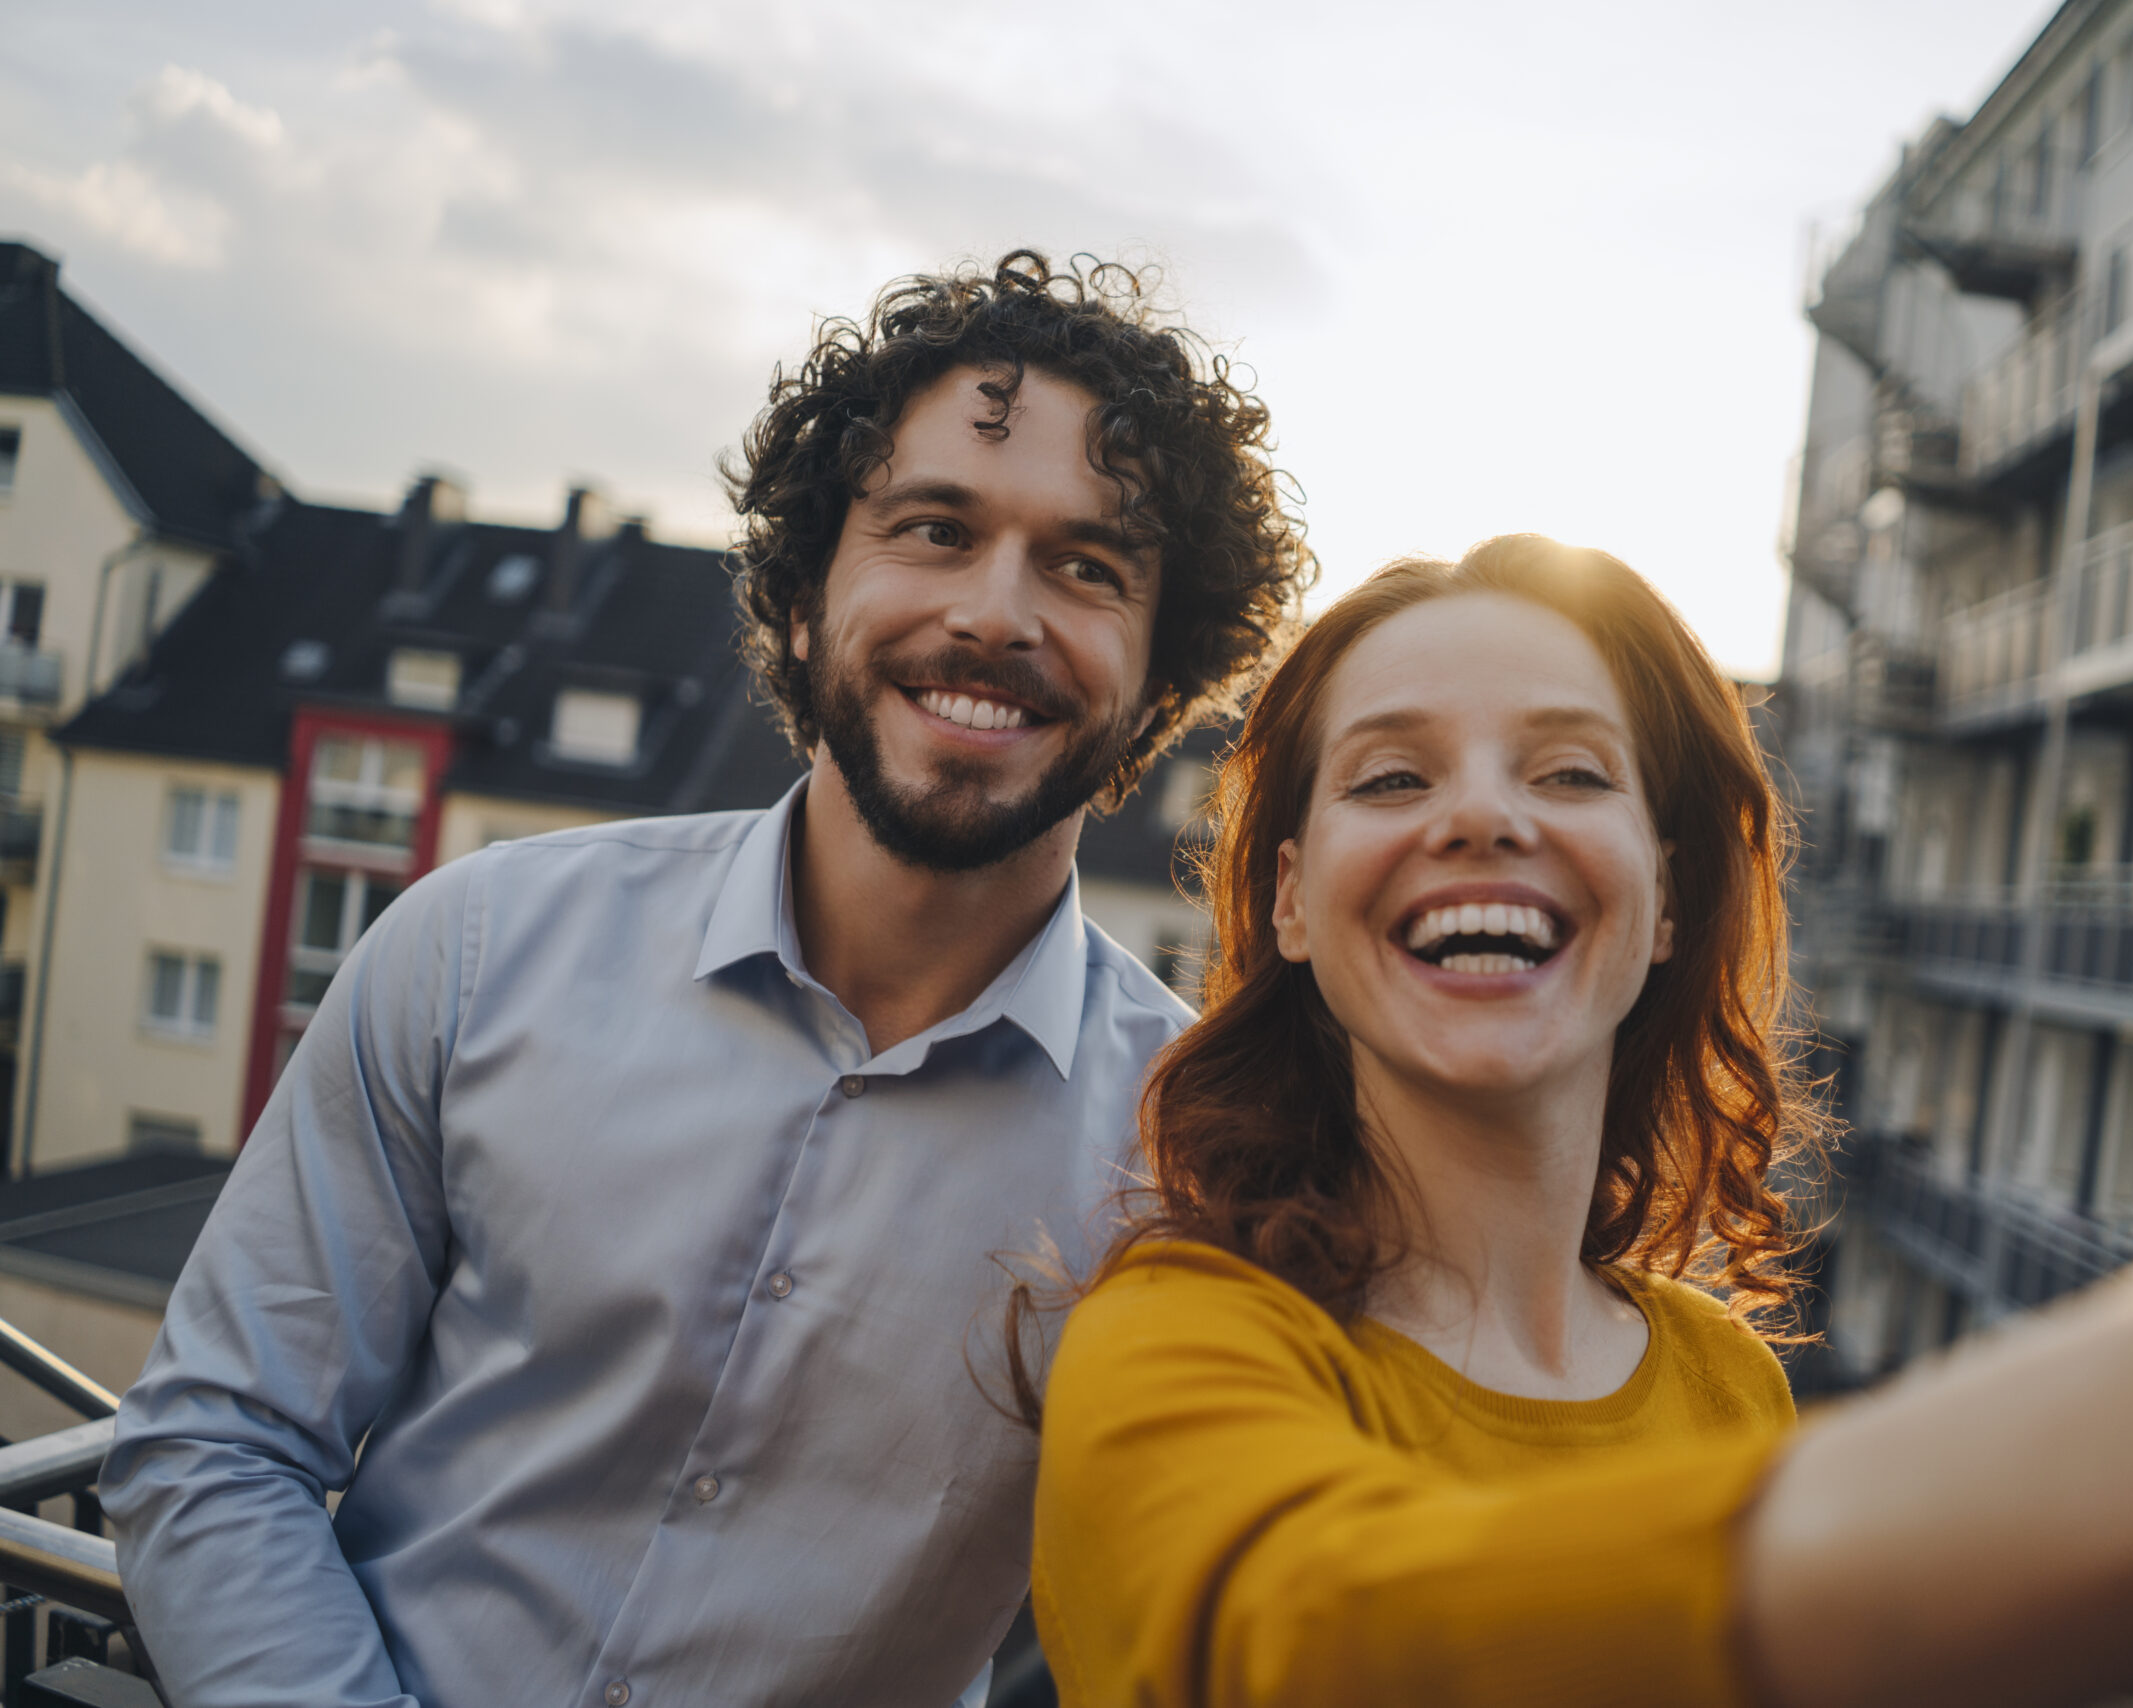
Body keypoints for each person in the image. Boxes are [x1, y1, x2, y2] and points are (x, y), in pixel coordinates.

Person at [1028, 359, 2133, 1707]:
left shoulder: (1725, 1382)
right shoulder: (1175, 1338)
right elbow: (1299, 1654)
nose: (1484, 814)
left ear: (1672, 895)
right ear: (1291, 902)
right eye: (1390, 778)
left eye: (1569, 773)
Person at [99, 251, 1313, 1708]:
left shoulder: (1187, 1171)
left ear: (1160, 687)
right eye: (934, 529)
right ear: (803, 602)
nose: (999, 612)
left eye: (1087, 565)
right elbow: (218, 1443)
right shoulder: (475, 948)